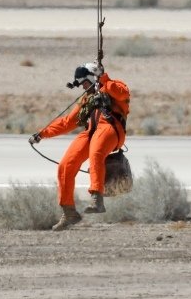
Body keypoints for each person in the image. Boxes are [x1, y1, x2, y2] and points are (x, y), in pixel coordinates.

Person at [29, 61, 130, 230]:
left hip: (112, 129)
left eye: (85, 83)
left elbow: (122, 94)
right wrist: (42, 133)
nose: (84, 88)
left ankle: (97, 198)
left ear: (93, 77)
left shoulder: (113, 85)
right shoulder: (86, 99)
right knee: (65, 165)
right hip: (91, 132)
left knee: (96, 152)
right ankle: (69, 212)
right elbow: (68, 122)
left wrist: (103, 78)